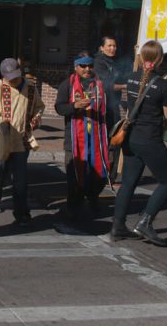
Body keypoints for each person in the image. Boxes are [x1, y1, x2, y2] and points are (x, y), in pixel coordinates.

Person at [111, 40, 167, 246]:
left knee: (128, 183)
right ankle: (145, 222)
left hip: (131, 139)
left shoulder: (131, 79)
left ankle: (118, 226)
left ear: (141, 58)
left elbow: (147, 89)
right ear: (160, 59)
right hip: (150, 139)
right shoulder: (165, 87)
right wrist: (163, 127)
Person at [0, 58, 44, 225]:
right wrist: (2, 118)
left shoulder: (31, 88)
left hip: (22, 138)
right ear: (3, 76)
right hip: (1, 136)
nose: (14, 80)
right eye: (10, 77)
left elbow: (39, 106)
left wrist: (37, 118)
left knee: (21, 178)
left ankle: (21, 211)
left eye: (16, 76)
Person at [55, 52, 111, 219]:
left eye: (90, 66)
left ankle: (92, 197)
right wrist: (75, 105)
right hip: (74, 139)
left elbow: (110, 108)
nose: (87, 69)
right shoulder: (68, 85)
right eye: (83, 66)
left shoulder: (100, 84)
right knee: (74, 174)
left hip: (97, 137)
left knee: (100, 173)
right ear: (76, 67)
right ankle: (74, 205)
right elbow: (59, 108)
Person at [94, 36, 127, 131]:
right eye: (109, 45)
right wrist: (125, 86)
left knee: (115, 129)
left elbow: (120, 77)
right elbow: (106, 85)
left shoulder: (113, 61)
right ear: (101, 48)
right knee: (109, 132)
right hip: (103, 105)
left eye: (114, 46)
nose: (112, 48)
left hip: (114, 103)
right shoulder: (99, 62)